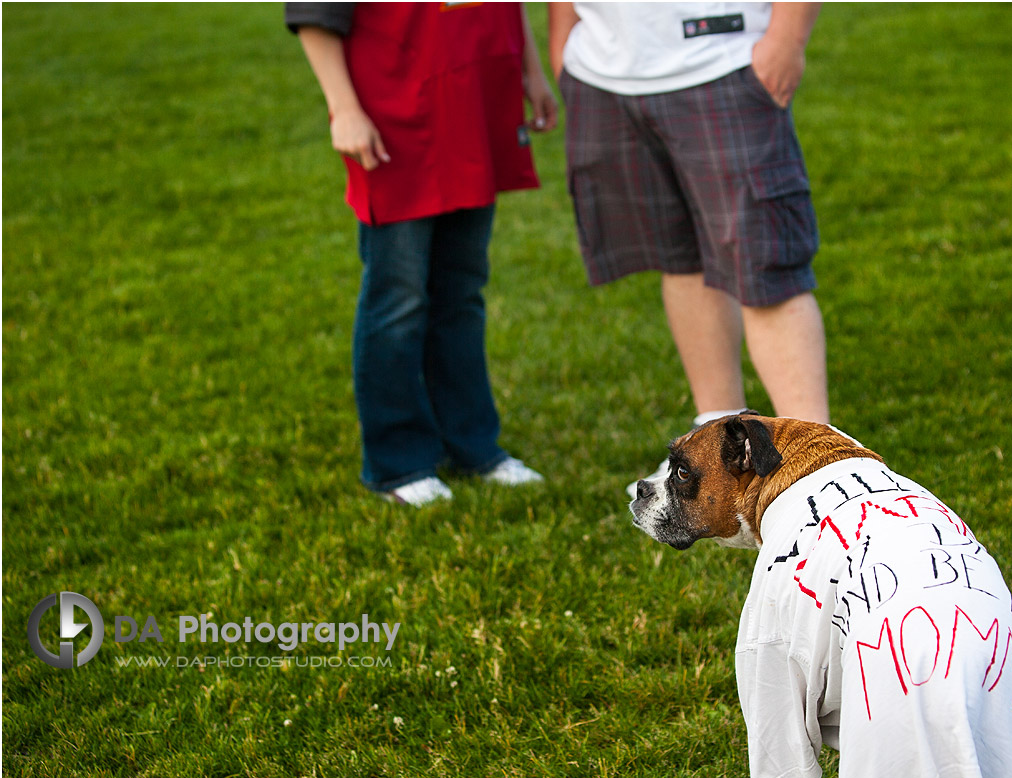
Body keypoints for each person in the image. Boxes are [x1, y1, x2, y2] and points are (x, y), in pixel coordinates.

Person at [287, 2, 558, 506]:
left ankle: (473, 446)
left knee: (461, 290)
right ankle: (398, 462)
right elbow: (313, 12)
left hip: (475, 101)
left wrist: (531, 72)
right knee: (399, 299)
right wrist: (343, 108)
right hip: (394, 112)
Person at [549, 2, 828, 491]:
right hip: (605, 71)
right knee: (680, 261)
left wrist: (788, 37)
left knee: (765, 268)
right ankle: (715, 429)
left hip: (721, 57)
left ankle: (819, 462)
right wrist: (565, 40)